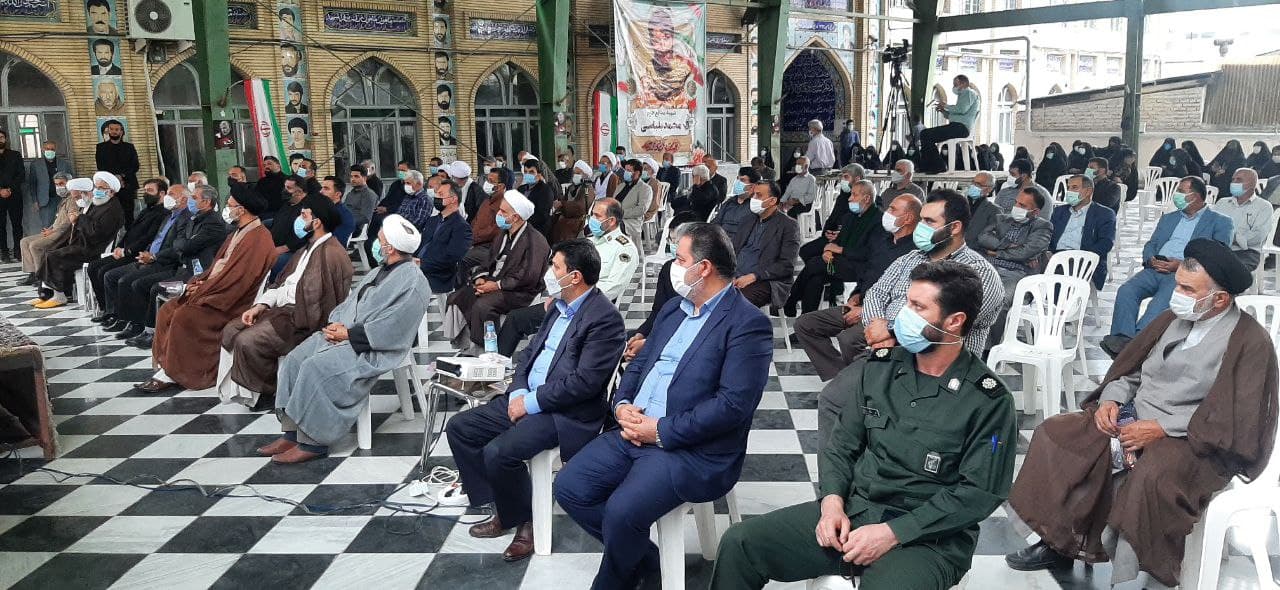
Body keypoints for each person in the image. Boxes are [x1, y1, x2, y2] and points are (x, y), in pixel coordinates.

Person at [710, 262, 1017, 590]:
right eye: (907, 302)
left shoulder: (988, 400)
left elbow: (979, 492)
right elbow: (842, 444)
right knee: (740, 543)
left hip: (929, 538)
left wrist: (893, 533)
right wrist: (831, 502)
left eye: (918, 307)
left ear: (954, 321)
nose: (903, 315)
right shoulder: (880, 369)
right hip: (857, 510)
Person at [1004, 239, 1276, 590]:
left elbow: (1236, 415)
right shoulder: (1172, 319)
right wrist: (1111, 401)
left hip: (1196, 439)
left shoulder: (1250, 342)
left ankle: (1148, 573)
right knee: (1057, 435)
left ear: (1220, 299)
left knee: (1153, 478)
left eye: (1187, 290)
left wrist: (1162, 428)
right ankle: (1058, 543)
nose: (1176, 294)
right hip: (1134, 416)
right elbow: (1130, 371)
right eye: (1177, 284)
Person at [554, 222, 774, 590]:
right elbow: (640, 364)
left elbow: (733, 406)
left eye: (680, 259)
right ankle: (647, 562)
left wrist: (659, 430)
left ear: (704, 268)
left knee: (622, 511)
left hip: (690, 448)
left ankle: (612, 583)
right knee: (570, 487)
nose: (673, 266)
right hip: (633, 428)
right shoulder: (674, 309)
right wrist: (622, 404)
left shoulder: (747, 324)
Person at [446, 240, 627, 560]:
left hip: (564, 412)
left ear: (574, 276)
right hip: (527, 396)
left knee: (499, 452)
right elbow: (529, 355)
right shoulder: (557, 308)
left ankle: (526, 523)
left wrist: (530, 403)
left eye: (555, 267)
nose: (549, 273)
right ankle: (506, 506)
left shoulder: (604, 319)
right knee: (461, 428)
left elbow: (584, 383)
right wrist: (518, 392)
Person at [259, 215, 430, 463]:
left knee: (315, 367)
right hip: (345, 334)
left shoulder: (413, 281)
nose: (376, 243)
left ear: (390, 247)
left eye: (379, 239)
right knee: (295, 359)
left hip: (373, 346)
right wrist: (336, 324)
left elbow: (394, 326)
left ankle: (313, 442)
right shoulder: (379, 271)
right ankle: (292, 432)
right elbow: (350, 303)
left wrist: (349, 334)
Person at [799, 190, 1004, 382]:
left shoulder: (977, 271)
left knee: (851, 348)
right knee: (840, 372)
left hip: (933, 357)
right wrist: (877, 326)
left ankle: (860, 384)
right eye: (921, 219)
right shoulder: (911, 258)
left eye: (929, 221)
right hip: (886, 334)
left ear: (955, 227)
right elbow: (877, 292)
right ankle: (851, 382)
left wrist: (890, 331)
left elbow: (946, 324)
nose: (920, 226)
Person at [217, 199, 353, 410]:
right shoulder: (305, 249)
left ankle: (267, 392)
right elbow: (282, 284)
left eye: (304, 215)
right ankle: (244, 392)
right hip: (285, 309)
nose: (299, 219)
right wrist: (261, 306)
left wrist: (276, 303)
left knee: (248, 339)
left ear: (317, 222)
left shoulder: (331, 253)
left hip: (304, 319)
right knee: (232, 328)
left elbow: (313, 300)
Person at [139, 189, 277, 392]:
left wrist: (204, 290)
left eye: (230, 205)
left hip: (231, 300)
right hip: (215, 288)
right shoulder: (238, 232)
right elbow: (216, 268)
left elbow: (240, 280)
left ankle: (178, 372)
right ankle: (167, 366)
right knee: (168, 309)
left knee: (185, 316)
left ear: (242, 210)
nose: (227, 209)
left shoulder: (259, 238)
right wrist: (198, 283)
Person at [789, 192, 918, 380]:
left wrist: (865, 311)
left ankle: (860, 383)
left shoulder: (914, 252)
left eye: (892, 209)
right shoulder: (882, 240)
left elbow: (906, 296)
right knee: (805, 324)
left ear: (907, 218)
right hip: (861, 301)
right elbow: (868, 271)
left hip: (884, 315)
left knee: (848, 338)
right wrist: (856, 294)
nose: (887, 213)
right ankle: (842, 376)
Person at [1101, 176, 1234, 356]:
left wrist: (1182, 265)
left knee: (1160, 302)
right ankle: (1122, 339)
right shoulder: (1169, 218)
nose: (1176, 195)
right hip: (1156, 267)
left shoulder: (1220, 221)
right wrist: (1150, 259)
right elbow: (1152, 243)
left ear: (1195, 196)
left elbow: (1217, 255)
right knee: (1127, 291)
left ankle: (1138, 343)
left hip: (1185, 273)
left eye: (1181, 191)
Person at [495, 199, 636, 357]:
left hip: (589, 309)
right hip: (563, 301)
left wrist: (572, 297)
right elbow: (557, 269)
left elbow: (612, 287)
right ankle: (496, 364)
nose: (592, 220)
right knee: (516, 318)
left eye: (597, 216)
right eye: (592, 215)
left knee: (539, 342)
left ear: (611, 221)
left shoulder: (624, 249)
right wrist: (556, 294)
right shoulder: (588, 242)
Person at [108, 185, 228, 348]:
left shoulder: (213, 222)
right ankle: (143, 327)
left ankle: (153, 333)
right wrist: (183, 244)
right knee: (134, 282)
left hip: (198, 272)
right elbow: (180, 243)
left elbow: (186, 245)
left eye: (194, 198)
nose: (191, 201)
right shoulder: (195, 218)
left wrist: (182, 244)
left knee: (156, 288)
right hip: (184, 267)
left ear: (206, 202)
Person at [446, 191, 550, 351]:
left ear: (515, 217)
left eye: (503, 211)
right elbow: (487, 262)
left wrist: (496, 286)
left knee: (483, 306)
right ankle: (465, 346)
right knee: (457, 297)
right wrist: (480, 279)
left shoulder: (535, 241)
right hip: (495, 283)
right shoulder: (503, 234)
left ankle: (487, 349)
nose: (498, 214)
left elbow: (528, 277)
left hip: (519, 291)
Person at [785, 178, 882, 317]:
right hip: (841, 262)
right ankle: (807, 321)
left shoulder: (878, 220)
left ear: (866, 198)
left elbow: (870, 253)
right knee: (815, 279)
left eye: (854, 195)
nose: (850, 198)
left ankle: (791, 301)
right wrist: (829, 251)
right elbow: (838, 241)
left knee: (814, 263)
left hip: (860, 267)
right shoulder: (850, 217)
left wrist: (840, 250)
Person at [31, 171, 126, 309]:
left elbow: (96, 233)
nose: (97, 191)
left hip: (93, 249)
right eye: (96, 187)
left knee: (54, 256)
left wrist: (80, 218)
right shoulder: (100, 204)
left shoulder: (113, 209)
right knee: (49, 251)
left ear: (111, 191)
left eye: (101, 188)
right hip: (84, 243)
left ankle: (59, 296)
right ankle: (46, 294)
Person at [85, 178, 169, 327]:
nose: (146, 194)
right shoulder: (146, 210)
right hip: (125, 250)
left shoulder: (163, 213)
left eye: (150, 191)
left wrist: (127, 251)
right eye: (145, 190)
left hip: (136, 253)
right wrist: (119, 247)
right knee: (93, 267)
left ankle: (117, 314)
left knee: (107, 272)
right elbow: (130, 231)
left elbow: (148, 237)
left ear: (161, 193)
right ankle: (107, 309)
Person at [731, 181, 800, 308]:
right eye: (753, 195)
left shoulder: (788, 225)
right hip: (736, 276)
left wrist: (753, 276)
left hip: (766, 279)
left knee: (736, 302)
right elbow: (733, 250)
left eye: (758, 195)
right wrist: (729, 274)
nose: (753, 199)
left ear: (772, 201)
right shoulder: (747, 220)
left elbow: (786, 265)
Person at [977, 188, 1054, 298]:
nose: (1016, 207)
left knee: (999, 300)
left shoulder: (1042, 226)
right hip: (988, 266)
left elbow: (1024, 253)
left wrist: (996, 253)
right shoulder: (1001, 218)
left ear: (1035, 212)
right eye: (1016, 202)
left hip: (1016, 272)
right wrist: (1006, 244)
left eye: (1022, 206)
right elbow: (983, 237)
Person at [1050, 174, 1117, 290]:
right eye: (1068, 187)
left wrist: (1078, 257)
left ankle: (1057, 302)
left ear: (1088, 191)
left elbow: (1106, 243)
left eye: (1074, 187)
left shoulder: (1104, 214)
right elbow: (1048, 235)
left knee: (1062, 275)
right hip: (1054, 256)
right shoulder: (1059, 211)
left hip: (1082, 259)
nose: (1069, 191)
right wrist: (1046, 252)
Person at [18, 174, 80, 285]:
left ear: (69, 183)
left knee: (35, 245)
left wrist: (52, 231)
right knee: (24, 241)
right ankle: (33, 273)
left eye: (61, 183)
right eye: (56, 184)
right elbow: (58, 219)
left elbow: (69, 222)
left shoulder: (72, 200)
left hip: (62, 234)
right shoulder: (64, 199)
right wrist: (50, 228)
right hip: (54, 231)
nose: (59, 187)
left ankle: (41, 276)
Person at [417, 178, 471, 294]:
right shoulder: (432, 221)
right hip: (417, 269)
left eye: (441, 194)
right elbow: (421, 245)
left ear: (453, 199)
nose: (436, 197)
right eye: (436, 193)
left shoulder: (461, 227)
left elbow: (450, 259)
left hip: (437, 276)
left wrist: (422, 264)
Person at [919, 75, 980, 173]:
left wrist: (945, 105)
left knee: (926, 134)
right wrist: (943, 110)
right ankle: (926, 166)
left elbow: (962, 109)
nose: (954, 87)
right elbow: (953, 115)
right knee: (925, 134)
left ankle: (938, 165)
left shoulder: (969, 93)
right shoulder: (962, 96)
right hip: (956, 126)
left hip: (961, 128)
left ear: (963, 83)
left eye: (956, 84)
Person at [1213, 167, 1269, 270]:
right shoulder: (1222, 202)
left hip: (1246, 252)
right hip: (1218, 249)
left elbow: (1258, 237)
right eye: (1233, 179)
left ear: (1252, 184)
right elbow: (1211, 226)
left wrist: (1231, 237)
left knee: (1230, 270)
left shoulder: (1263, 206)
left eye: (1238, 180)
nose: (1233, 183)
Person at [462, 167, 511, 270]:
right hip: (477, 243)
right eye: (487, 180)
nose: (487, 184)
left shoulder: (505, 204)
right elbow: (475, 221)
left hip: (491, 247)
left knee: (462, 258)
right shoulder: (487, 201)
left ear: (501, 186)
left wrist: (474, 238)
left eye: (491, 181)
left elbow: (496, 230)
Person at [94, 120, 140, 229]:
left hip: (127, 185)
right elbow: (101, 167)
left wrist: (122, 176)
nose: (114, 132)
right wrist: (114, 178)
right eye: (111, 129)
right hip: (109, 187)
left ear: (121, 132)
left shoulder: (129, 147)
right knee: (110, 215)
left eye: (117, 129)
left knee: (129, 216)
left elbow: (135, 166)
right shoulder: (101, 147)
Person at [23, 140, 74, 234]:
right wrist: (35, 201)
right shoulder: (36, 164)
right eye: (47, 149)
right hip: (45, 200)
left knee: (63, 225)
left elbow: (71, 180)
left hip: (62, 199)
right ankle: (48, 243)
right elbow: (33, 184)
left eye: (52, 149)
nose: (50, 151)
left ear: (55, 150)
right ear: (43, 149)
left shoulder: (64, 164)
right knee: (47, 226)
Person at [713, 167, 761, 243]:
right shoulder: (729, 203)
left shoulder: (756, 206)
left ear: (752, 186)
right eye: (737, 179)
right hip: (721, 243)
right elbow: (716, 224)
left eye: (742, 180)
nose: (738, 182)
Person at [0, 129, 27, 262]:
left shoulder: (15, 155)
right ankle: (4, 252)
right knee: (1, 225)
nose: (0, 139)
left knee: (17, 224)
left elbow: (21, 174)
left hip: (14, 194)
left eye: (1, 137)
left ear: (5, 139)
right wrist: (1, 190)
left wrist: (9, 189)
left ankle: (18, 251)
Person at [550, 160, 593, 243]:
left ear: (586, 175)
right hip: (566, 219)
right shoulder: (571, 187)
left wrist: (562, 204)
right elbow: (564, 200)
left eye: (578, 173)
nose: (575, 175)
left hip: (578, 222)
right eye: (574, 173)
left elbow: (581, 207)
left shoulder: (588, 189)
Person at [612, 159, 652, 236]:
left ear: (637, 173)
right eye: (625, 170)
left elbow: (641, 209)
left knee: (611, 226)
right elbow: (613, 202)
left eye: (629, 170)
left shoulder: (645, 188)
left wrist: (621, 213)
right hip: (615, 217)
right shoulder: (621, 186)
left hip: (631, 221)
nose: (625, 173)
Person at [963, 172, 1000, 244]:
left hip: (976, 249)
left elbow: (991, 239)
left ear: (990, 189)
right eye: (973, 182)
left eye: (979, 184)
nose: (974, 186)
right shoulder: (960, 204)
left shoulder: (994, 210)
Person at [319, 176, 355, 247]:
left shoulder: (344, 216)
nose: (321, 192)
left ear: (337, 194)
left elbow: (336, 243)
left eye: (326, 189)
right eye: (321, 188)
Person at [344, 165, 378, 230]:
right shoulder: (351, 193)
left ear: (364, 178)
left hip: (355, 229)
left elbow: (365, 218)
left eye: (356, 176)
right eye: (351, 176)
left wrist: (344, 222)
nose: (352, 179)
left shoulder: (368, 194)